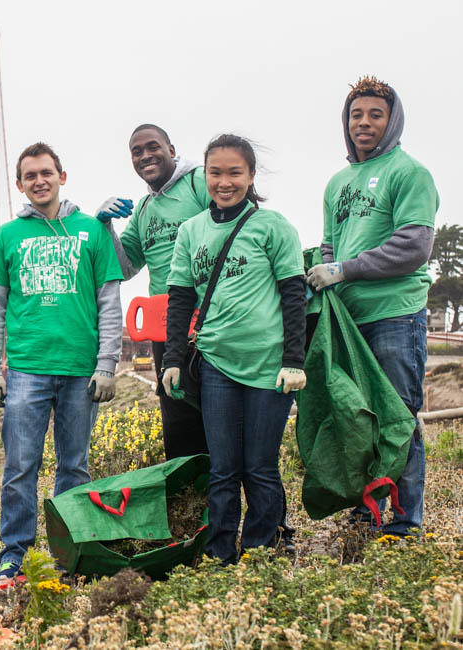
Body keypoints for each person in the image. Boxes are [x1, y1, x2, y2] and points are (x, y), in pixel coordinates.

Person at [0, 143, 123, 581]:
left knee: (74, 466)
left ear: (63, 175)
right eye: (30, 175)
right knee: (20, 466)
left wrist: (107, 365)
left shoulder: (93, 231)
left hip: (82, 370)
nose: (39, 180)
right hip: (26, 370)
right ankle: (15, 555)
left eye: (47, 172)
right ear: (19, 184)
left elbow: (110, 303)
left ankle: (70, 552)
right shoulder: (6, 237)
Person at [161, 134, 307, 562]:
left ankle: (261, 551)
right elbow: (180, 300)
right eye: (215, 173)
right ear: (204, 175)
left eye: (234, 173)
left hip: (268, 367)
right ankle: (220, 554)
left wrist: (293, 360)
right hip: (216, 366)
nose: (224, 182)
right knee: (223, 468)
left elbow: (294, 295)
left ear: (251, 176)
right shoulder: (191, 231)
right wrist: (172, 360)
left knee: (260, 467)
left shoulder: (273, 225)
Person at [308, 76, 439, 535]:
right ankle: (369, 510)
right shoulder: (337, 182)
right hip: (347, 321)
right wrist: (328, 272)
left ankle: (405, 523)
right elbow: (329, 245)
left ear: (392, 120)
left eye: (374, 115)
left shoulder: (409, 173)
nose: (363, 123)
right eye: (356, 115)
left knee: (397, 417)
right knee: (357, 419)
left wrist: (345, 270)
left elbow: (413, 245)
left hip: (394, 315)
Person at [99, 123, 213, 460]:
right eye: (137, 151)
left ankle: (225, 504)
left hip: (211, 320)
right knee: (178, 424)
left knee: (218, 415)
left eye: (153, 147)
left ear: (172, 150)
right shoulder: (144, 210)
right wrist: (103, 225)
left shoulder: (198, 184)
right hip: (166, 329)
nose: (146, 155)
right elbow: (124, 267)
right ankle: (187, 505)